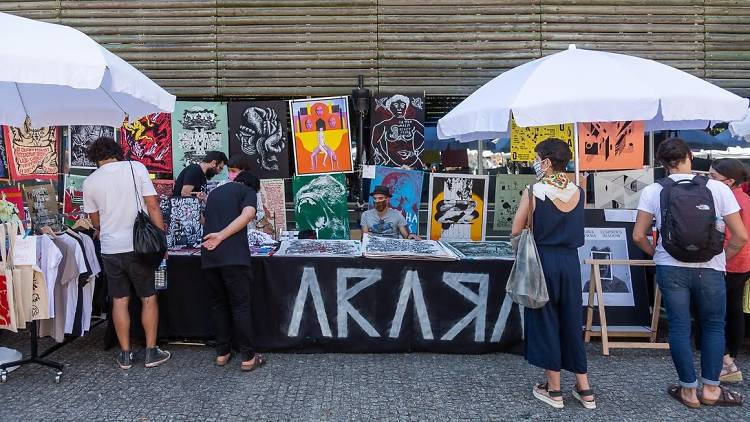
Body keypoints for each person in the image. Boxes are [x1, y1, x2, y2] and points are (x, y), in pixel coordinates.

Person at [633, 138, 747, 408]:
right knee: (713, 326)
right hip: (711, 269)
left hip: (671, 268)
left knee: (680, 326)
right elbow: (740, 236)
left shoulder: (653, 190)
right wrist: (721, 256)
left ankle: (687, 390)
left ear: (662, 163)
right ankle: (711, 389)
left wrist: (657, 254)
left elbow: (639, 235)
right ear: (690, 156)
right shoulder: (718, 188)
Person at [510, 138, 595, 410]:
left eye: (537, 158)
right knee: (571, 320)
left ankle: (554, 389)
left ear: (546, 161)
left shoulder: (534, 190)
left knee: (545, 319)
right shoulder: (579, 191)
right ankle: (585, 388)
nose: (535, 162)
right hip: (571, 262)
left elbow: (516, 230)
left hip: (542, 259)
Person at [82, 137, 170, 370]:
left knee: (119, 300)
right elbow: (152, 206)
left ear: (95, 157)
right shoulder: (136, 168)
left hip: (111, 248)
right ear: (117, 152)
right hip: (140, 247)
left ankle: (125, 355)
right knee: (148, 297)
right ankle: (151, 351)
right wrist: (161, 240)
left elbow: (95, 221)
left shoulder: (90, 181)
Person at [201, 170, 266, 371]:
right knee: (240, 306)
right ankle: (248, 357)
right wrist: (221, 235)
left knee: (218, 305)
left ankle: (223, 353)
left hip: (210, 256)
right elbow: (248, 215)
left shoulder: (215, 193)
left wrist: (217, 234)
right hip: (234, 257)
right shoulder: (247, 192)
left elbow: (204, 220)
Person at [708, 158, 750, 383]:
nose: (709, 181)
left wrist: (721, 258)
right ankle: (731, 356)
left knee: (718, 313)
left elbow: (735, 236)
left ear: (730, 181)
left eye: (713, 177)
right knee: (734, 310)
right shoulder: (745, 197)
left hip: (730, 259)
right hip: (743, 260)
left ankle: (726, 361)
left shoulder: (731, 200)